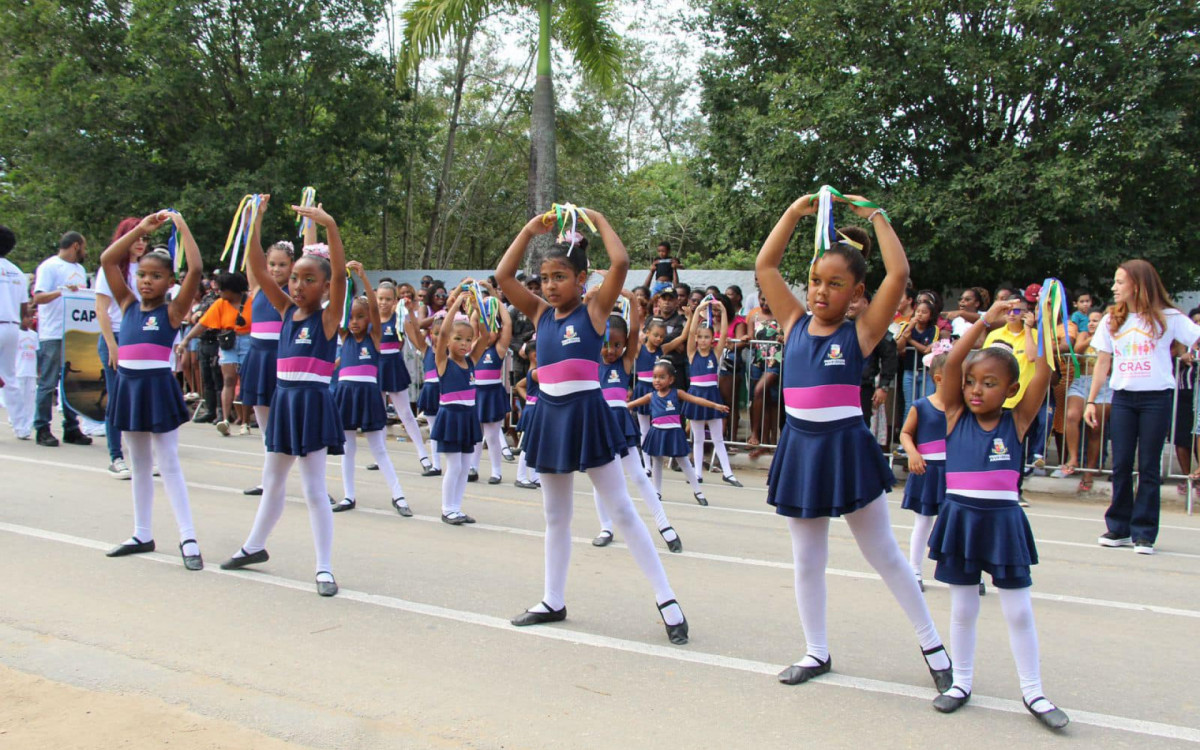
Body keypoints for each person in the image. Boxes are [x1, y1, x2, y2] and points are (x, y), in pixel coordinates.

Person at [756, 192, 951, 689]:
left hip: (844, 447)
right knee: (807, 559)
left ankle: (931, 643)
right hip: (800, 448)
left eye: (835, 284)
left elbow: (900, 276)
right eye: (816, 282)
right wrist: (794, 214)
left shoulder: (861, 332)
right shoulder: (793, 322)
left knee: (882, 552)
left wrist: (879, 217)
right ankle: (815, 651)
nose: (821, 292)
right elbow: (765, 263)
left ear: (858, 292)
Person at [497, 208, 689, 645]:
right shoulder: (541, 314)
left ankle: (667, 599)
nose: (550, 285)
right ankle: (552, 599)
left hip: (587, 414)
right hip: (549, 415)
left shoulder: (594, 311)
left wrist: (600, 220)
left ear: (582, 281)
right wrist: (529, 229)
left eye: (560, 276)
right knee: (555, 516)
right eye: (545, 277)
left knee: (621, 509)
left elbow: (620, 264)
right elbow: (504, 274)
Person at [926, 299, 1068, 730]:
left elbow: (1042, 372)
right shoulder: (954, 414)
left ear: (1010, 390)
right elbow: (951, 365)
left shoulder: (1018, 419)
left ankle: (1034, 691)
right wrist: (985, 320)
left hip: (1004, 522)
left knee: (1018, 611)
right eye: (972, 381)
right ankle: (961, 683)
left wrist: (1039, 325)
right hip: (960, 518)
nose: (975, 389)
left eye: (989, 383)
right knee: (964, 607)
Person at [220, 197, 347, 598]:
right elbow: (257, 268)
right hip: (284, 402)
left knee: (312, 490)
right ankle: (254, 546)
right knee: (272, 481)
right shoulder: (283, 310)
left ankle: (324, 567)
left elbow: (342, 275)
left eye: (309, 279)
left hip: (310, 404)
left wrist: (330, 226)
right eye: (294, 278)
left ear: (325, 287)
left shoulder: (327, 317)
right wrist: (254, 222)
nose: (297, 285)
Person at [100, 211, 205, 571]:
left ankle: (188, 537)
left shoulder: (173, 312)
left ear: (169, 281)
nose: (146, 281)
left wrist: (182, 225)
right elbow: (107, 260)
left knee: (169, 463)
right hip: (129, 387)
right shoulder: (127, 304)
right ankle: (141, 532)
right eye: (142, 274)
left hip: (157, 387)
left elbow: (195, 270)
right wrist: (141, 231)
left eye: (156, 276)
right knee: (139, 464)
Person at [1086, 260, 1200, 555]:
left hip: (1157, 398)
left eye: (1120, 282)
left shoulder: (1169, 317)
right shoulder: (1113, 318)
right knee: (1121, 463)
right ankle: (1118, 527)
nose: (1114, 287)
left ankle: (1144, 533)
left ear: (1137, 284)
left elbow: (1196, 338)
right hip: (1123, 397)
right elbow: (1102, 362)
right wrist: (1091, 400)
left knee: (1149, 466)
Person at [591, 307, 683, 552]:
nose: (611, 350)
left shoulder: (626, 363)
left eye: (617, 345)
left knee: (640, 476)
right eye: (606, 344)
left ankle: (665, 526)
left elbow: (634, 331)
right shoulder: (591, 361)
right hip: (598, 423)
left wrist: (631, 299)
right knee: (600, 482)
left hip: (621, 422)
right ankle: (606, 526)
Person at [332, 262, 408, 515]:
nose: (354, 322)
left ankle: (398, 496)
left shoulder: (374, 336)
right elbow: (339, 306)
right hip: (345, 394)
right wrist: (342, 279)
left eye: (360, 317)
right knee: (347, 448)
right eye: (351, 317)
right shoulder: (344, 336)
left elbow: (374, 308)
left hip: (368, 394)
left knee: (379, 448)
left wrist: (363, 277)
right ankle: (348, 496)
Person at [898, 342, 972, 593]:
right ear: (940, 378)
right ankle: (914, 569)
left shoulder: (964, 409)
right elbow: (906, 434)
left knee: (957, 523)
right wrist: (913, 453)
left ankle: (965, 569)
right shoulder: (922, 406)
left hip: (956, 473)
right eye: (958, 377)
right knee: (923, 522)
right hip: (928, 471)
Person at [628, 359, 723, 505]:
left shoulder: (677, 393)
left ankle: (698, 491)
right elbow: (630, 405)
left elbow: (696, 399)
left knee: (684, 461)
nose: (657, 380)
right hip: (657, 432)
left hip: (674, 433)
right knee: (657, 462)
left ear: (671, 379)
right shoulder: (651, 396)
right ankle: (657, 492)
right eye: (654, 377)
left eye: (661, 377)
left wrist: (715, 405)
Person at [430, 285, 487, 524]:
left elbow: (485, 336)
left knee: (465, 466)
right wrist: (455, 303)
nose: (464, 344)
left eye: (467, 340)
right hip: (450, 416)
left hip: (468, 416)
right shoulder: (444, 362)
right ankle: (446, 509)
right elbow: (442, 334)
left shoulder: (471, 361)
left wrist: (479, 306)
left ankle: (456, 507)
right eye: (458, 339)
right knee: (454, 465)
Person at [32, 231, 92, 447]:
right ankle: (42, 427)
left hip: (74, 332)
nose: (85, 251)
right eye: (83, 247)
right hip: (53, 332)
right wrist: (61, 292)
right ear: (75, 245)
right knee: (48, 382)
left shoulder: (80, 269)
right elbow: (38, 297)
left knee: (72, 383)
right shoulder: (50, 266)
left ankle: (71, 427)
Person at [376, 281, 433, 472]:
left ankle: (423, 455)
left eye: (388, 299)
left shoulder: (399, 319)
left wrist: (409, 313)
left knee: (406, 413)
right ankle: (380, 455)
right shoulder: (371, 320)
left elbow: (417, 340)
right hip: (375, 368)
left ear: (395, 301)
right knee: (379, 415)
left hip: (393, 367)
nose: (383, 303)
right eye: (380, 299)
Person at [685, 297, 741, 486]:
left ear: (712, 340)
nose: (702, 340)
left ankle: (728, 472)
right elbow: (692, 331)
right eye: (700, 337)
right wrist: (698, 310)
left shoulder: (715, 354)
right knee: (698, 438)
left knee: (718, 437)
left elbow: (724, 333)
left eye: (707, 337)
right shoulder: (692, 353)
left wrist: (723, 312)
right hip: (695, 396)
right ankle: (697, 473)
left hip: (712, 395)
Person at [1060, 310, 1112, 493]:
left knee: (1095, 428)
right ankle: (1073, 458)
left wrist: (1102, 337)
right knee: (1072, 415)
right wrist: (1093, 337)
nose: (1091, 323)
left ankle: (1089, 470)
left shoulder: (1112, 337)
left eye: (1096, 321)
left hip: (1104, 385)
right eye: (1090, 320)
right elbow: (1077, 352)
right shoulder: (1084, 335)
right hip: (1081, 382)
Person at [471, 289, 515, 483]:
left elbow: (508, 323)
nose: (490, 333)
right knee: (474, 434)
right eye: (485, 330)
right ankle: (472, 467)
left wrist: (497, 302)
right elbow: (473, 320)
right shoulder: (473, 347)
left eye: (493, 329)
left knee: (492, 435)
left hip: (492, 394)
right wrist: (478, 303)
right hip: (475, 393)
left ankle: (496, 471)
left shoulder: (498, 349)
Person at [0, 225, 30, 438]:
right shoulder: (18, 272)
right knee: (10, 377)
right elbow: (24, 308)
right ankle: (22, 427)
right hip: (11, 326)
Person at [410, 305, 445, 476]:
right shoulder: (426, 350)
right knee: (434, 430)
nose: (439, 338)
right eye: (436, 333)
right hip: (431, 392)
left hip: (446, 393)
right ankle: (436, 465)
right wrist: (409, 311)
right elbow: (414, 330)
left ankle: (462, 465)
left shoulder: (452, 353)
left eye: (443, 334)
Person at [513, 339, 542, 490]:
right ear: (535, 356)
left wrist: (529, 398)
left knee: (534, 444)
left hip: (534, 407)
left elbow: (519, 385)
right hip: (534, 410)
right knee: (527, 445)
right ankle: (521, 476)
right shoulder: (537, 373)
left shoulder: (534, 372)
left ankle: (534, 476)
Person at [7, 306, 39, 439]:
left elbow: (37, 352)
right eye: (27, 317)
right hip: (19, 371)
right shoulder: (15, 334)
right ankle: (16, 422)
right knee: (19, 399)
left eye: (31, 317)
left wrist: (38, 370)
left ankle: (27, 426)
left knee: (30, 400)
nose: (30, 319)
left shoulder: (34, 335)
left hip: (31, 372)